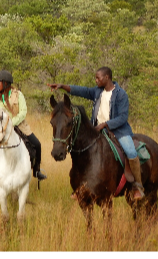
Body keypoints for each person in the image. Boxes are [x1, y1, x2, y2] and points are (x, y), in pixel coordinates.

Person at [48, 67, 144, 200]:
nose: (96, 80)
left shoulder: (121, 94)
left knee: (131, 151)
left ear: (107, 78)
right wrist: (63, 86)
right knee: (79, 149)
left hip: (118, 131)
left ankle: (137, 186)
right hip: (97, 130)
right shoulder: (97, 91)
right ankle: (80, 186)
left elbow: (123, 117)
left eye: (98, 78)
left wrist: (106, 124)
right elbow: (83, 91)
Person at [0, 70, 47, 182]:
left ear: (5, 83)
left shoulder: (18, 95)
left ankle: (36, 170)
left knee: (36, 144)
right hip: (0, 128)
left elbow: (23, 112)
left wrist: (11, 123)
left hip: (19, 125)